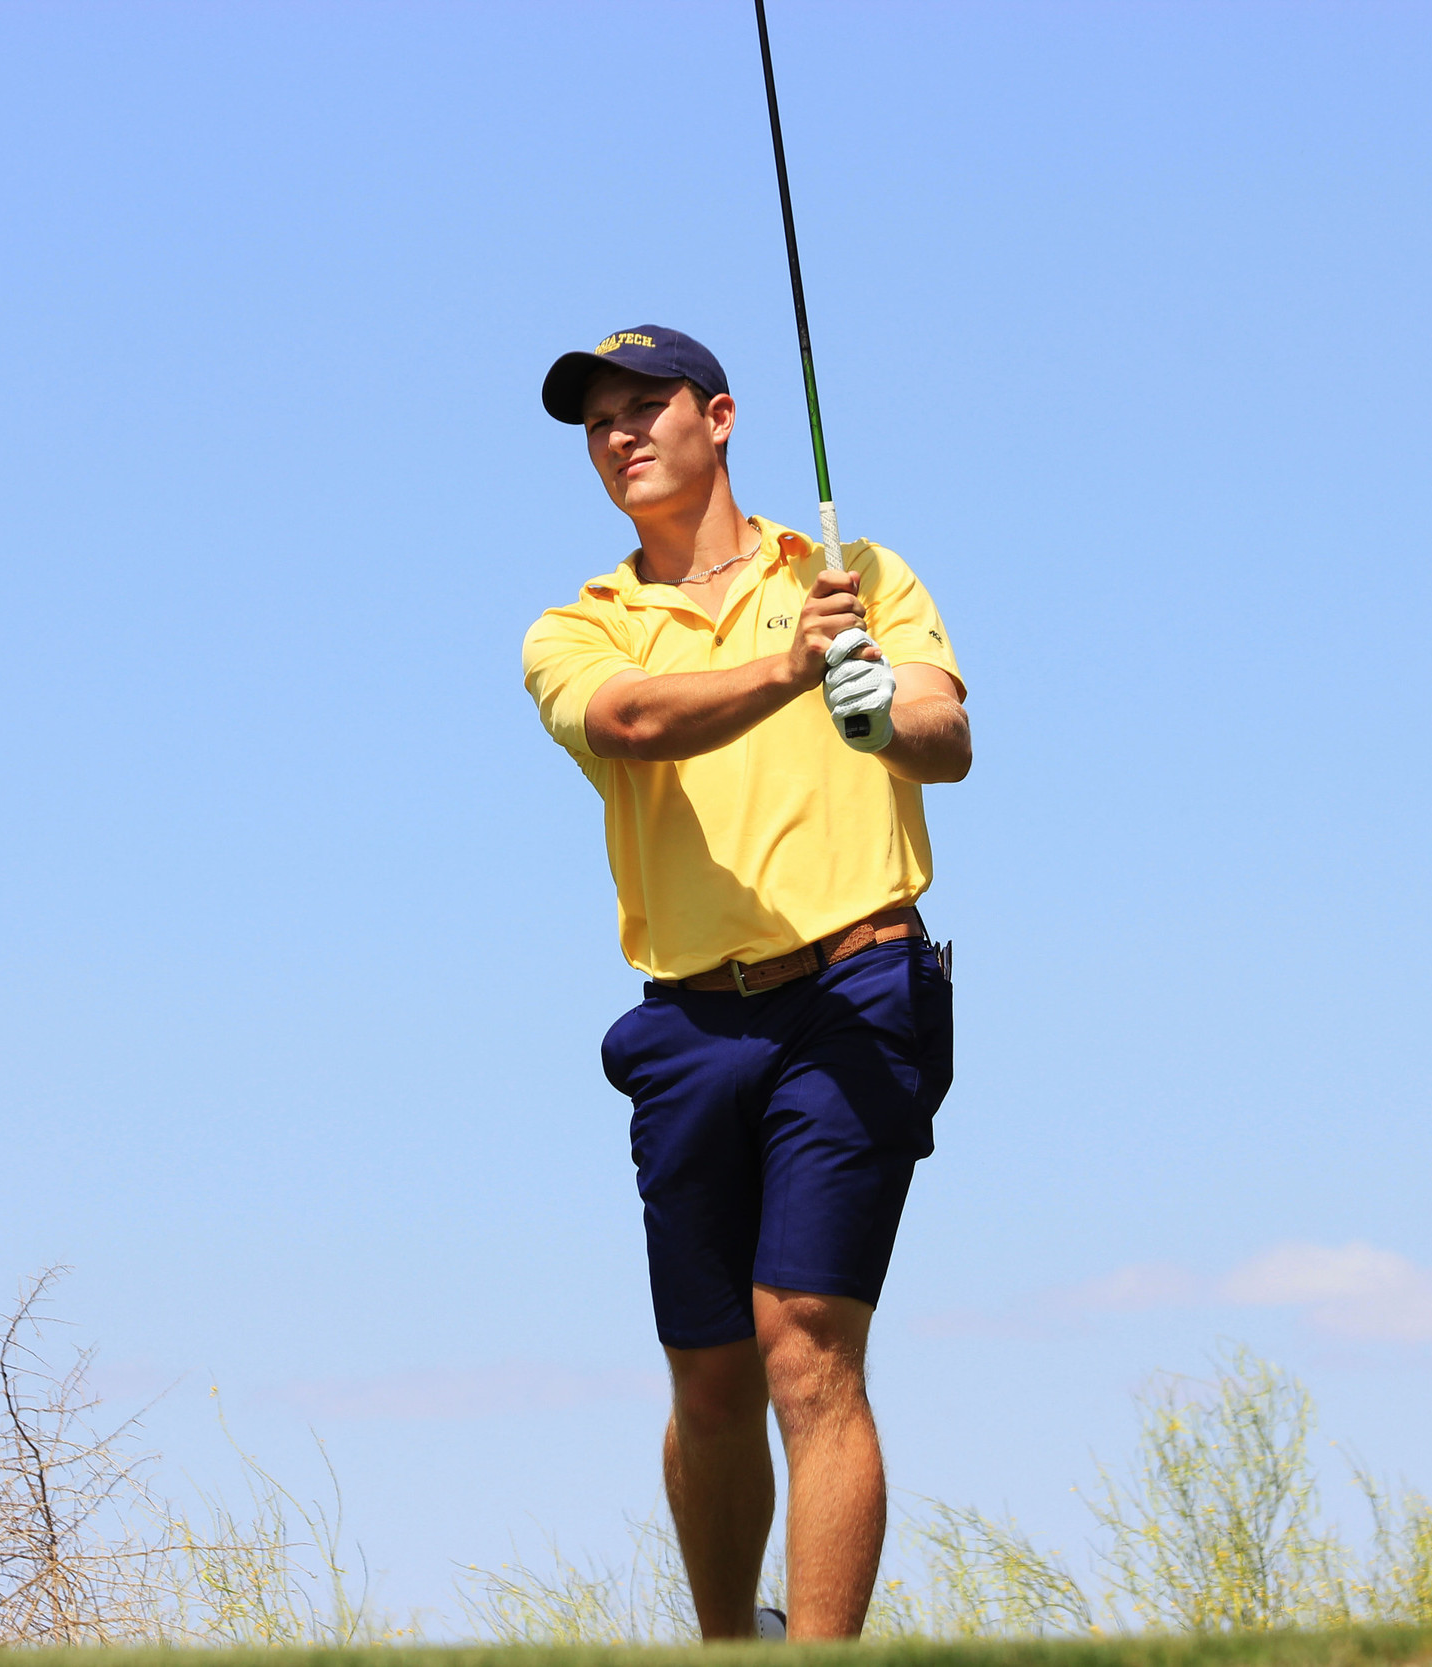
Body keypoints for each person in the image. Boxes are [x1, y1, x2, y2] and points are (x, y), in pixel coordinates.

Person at [521, 325, 970, 1641]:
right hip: (688, 1025)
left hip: (859, 988)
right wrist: (791, 671)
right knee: (710, 1382)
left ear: (718, 416)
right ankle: (731, 1647)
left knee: (808, 1343)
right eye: (596, 421)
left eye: (645, 405)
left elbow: (945, 735)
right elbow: (634, 723)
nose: (620, 434)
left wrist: (872, 703)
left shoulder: (851, 573)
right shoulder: (580, 627)